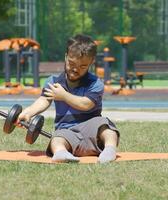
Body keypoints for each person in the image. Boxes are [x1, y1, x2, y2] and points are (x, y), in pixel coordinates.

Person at [17, 34, 119, 163]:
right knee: (56, 138)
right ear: (66, 57)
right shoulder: (53, 82)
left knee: (106, 126)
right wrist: (27, 113)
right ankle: (61, 153)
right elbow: (44, 100)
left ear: (91, 63)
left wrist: (63, 95)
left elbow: (85, 104)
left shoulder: (95, 83)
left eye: (83, 66)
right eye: (71, 63)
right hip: (67, 132)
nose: (76, 69)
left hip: (92, 133)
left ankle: (109, 150)